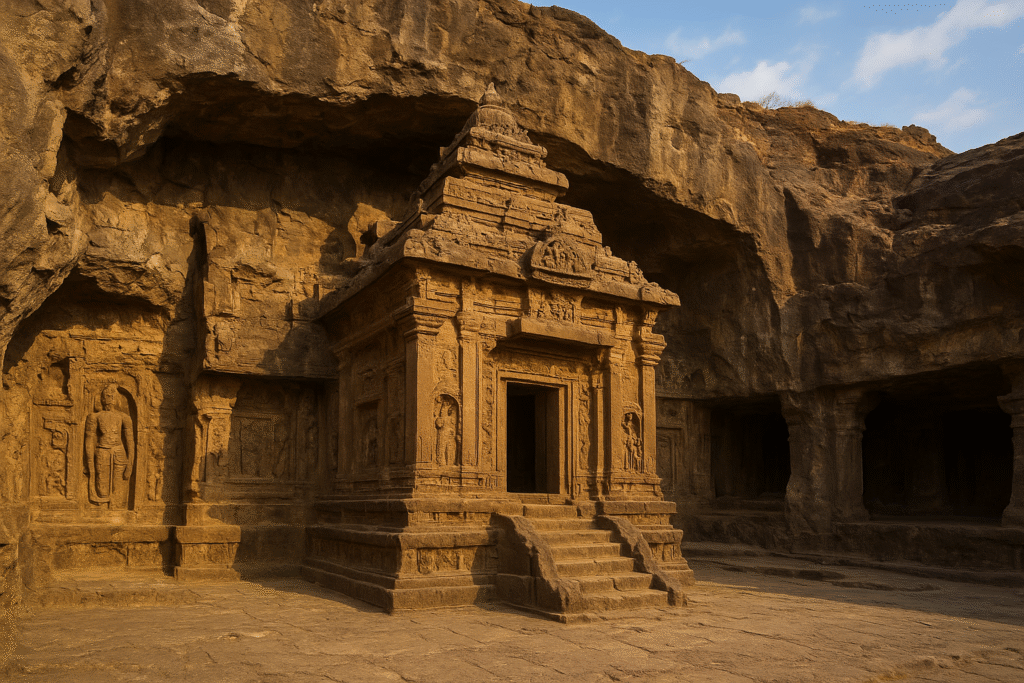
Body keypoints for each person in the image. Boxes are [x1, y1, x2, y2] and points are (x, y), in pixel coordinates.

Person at [84, 384, 135, 505]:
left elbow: (130, 442)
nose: (109, 398)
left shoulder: (124, 417)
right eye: (106, 395)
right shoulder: (94, 417)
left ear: (116, 399)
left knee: (118, 486)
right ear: (101, 399)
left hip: (119, 452)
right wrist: (89, 462)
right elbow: (89, 440)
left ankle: (116, 509)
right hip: (102, 451)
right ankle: (102, 506)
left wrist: (130, 464)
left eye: (112, 396)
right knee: (102, 486)